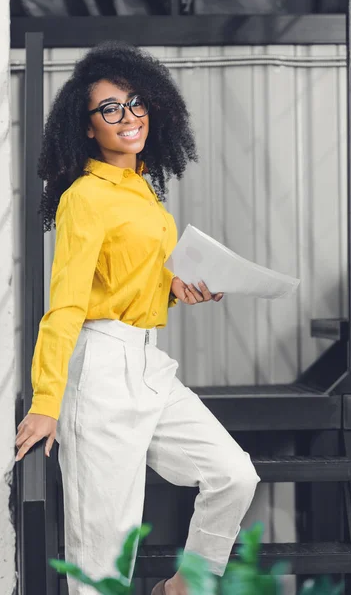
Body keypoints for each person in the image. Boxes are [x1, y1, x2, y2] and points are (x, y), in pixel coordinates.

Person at [15, 42, 260, 595]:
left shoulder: (144, 189)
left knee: (234, 474)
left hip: (147, 363)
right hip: (98, 370)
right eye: (110, 109)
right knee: (103, 560)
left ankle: (182, 588)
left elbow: (124, 279)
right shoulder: (85, 196)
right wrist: (47, 402)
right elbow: (70, 302)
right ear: (87, 127)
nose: (128, 118)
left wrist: (173, 288)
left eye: (135, 104)